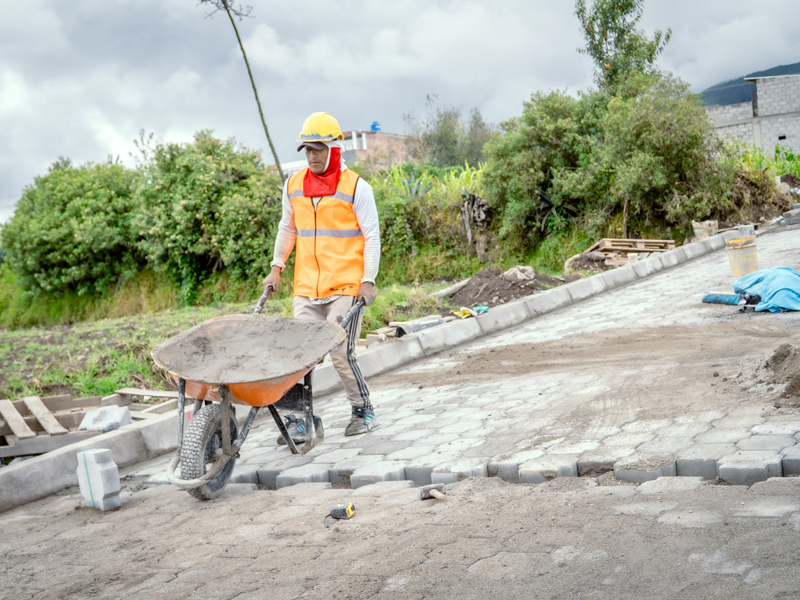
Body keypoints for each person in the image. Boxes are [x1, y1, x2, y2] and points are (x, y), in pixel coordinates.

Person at [262, 112, 380, 441]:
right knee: (298, 356)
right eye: (307, 150)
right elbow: (287, 228)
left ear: (334, 148)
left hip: (345, 285)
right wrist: (276, 267)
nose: (312, 155)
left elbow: (372, 236)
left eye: (318, 148)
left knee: (340, 353)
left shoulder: (357, 187)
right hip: (306, 287)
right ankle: (301, 420)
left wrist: (368, 279)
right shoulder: (294, 184)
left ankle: (362, 408)